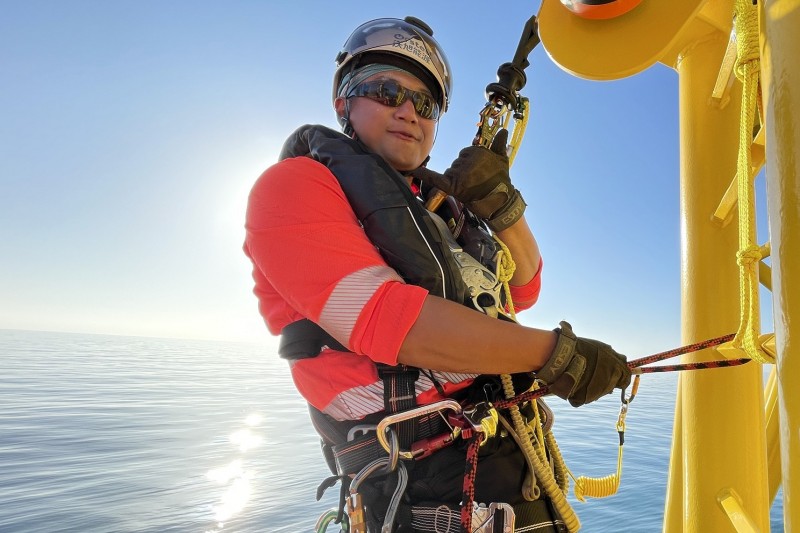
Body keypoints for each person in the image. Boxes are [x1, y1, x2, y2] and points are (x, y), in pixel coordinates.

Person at [244, 16, 631, 532]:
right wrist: (554, 355)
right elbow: (386, 320)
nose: (408, 112)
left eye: (425, 103)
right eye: (385, 91)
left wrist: (504, 210)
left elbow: (522, 288)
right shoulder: (293, 188)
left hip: (511, 476)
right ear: (344, 105)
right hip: (419, 488)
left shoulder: (439, 214)